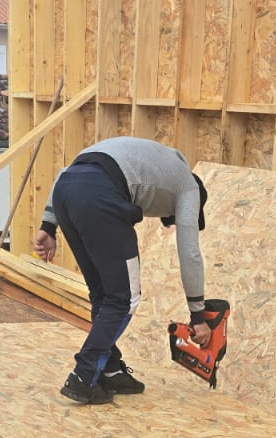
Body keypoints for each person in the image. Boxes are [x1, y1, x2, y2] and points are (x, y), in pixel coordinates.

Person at [34, 136, 212, 405]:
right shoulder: (189, 187)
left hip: (66, 191)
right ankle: (83, 376)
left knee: (103, 294)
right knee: (124, 298)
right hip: (101, 195)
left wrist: (49, 225)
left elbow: (65, 172)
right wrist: (198, 315)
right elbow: (190, 254)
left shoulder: (159, 162)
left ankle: (110, 370)